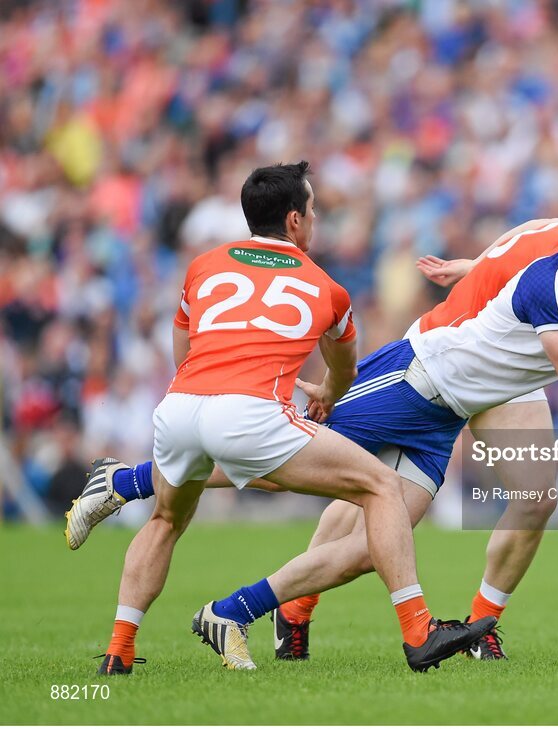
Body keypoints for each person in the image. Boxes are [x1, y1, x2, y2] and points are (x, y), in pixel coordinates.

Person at [71, 181, 558, 663]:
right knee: (274, 465)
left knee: (378, 542)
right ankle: (132, 479)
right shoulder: (556, 273)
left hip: (445, 412)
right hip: (416, 375)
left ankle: (233, 609)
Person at [76, 161, 493, 675]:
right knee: (381, 488)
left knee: (166, 519)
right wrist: (326, 395)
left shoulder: (203, 265)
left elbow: (183, 342)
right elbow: (344, 371)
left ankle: (118, 652)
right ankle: (417, 630)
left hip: (180, 405)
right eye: (313, 209)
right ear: (295, 221)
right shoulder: (327, 288)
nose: (316, 219)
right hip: (250, 412)